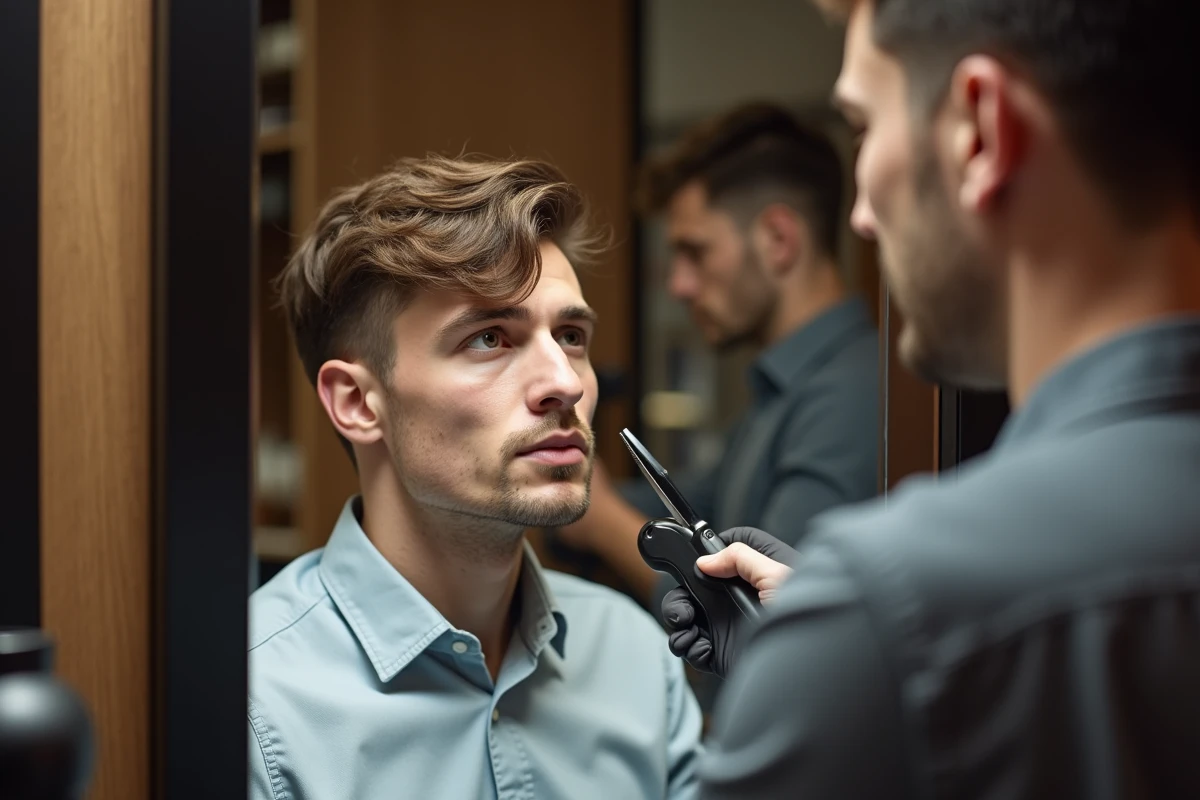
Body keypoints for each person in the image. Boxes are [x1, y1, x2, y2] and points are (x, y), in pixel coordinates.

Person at [660, 0, 1200, 796]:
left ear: (978, 132)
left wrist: (851, 647)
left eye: (864, 128)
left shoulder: (892, 614)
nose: (861, 217)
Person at [248, 155, 703, 800]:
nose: (566, 383)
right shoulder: (258, 704)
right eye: (489, 338)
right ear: (356, 403)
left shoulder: (636, 655)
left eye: (570, 335)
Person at [556, 103, 878, 614]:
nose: (678, 285)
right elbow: (693, 508)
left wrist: (597, 522)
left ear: (778, 240)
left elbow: (757, 611)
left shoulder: (850, 398)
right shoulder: (780, 390)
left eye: (695, 252)